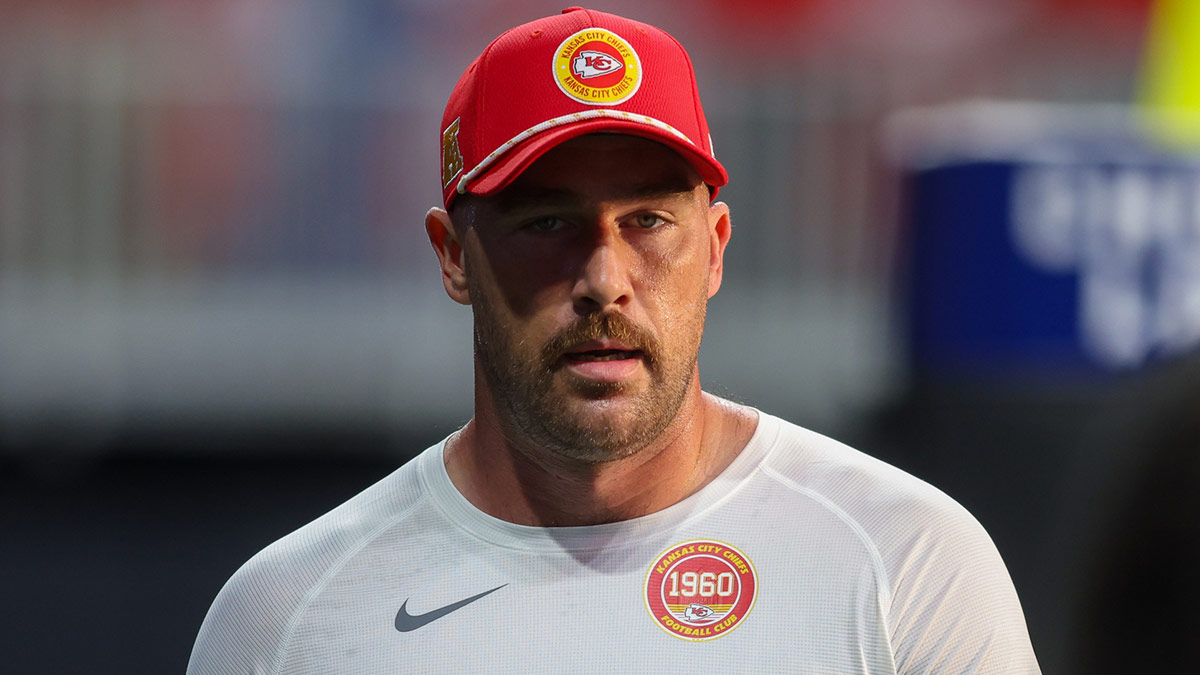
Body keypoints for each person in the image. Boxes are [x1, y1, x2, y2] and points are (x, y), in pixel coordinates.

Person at [188, 7, 1040, 673]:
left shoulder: (906, 563)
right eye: (549, 220)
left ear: (713, 249)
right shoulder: (286, 618)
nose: (605, 277)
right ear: (453, 257)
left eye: (648, 220)